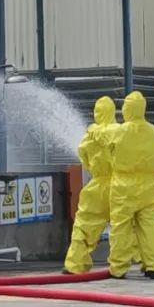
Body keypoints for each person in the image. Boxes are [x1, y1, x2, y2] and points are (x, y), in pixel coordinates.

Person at [107, 90, 154, 280]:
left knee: (121, 227)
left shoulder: (119, 131)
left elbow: (106, 150)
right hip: (148, 184)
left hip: (123, 185)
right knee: (149, 226)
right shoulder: (153, 131)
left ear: (127, 108)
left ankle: (119, 268)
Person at [63, 96, 119, 274]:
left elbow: (84, 159)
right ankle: (121, 266)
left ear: (96, 113)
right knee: (125, 227)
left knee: (84, 225)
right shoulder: (121, 132)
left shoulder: (89, 136)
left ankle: (75, 264)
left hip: (96, 186)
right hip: (120, 186)